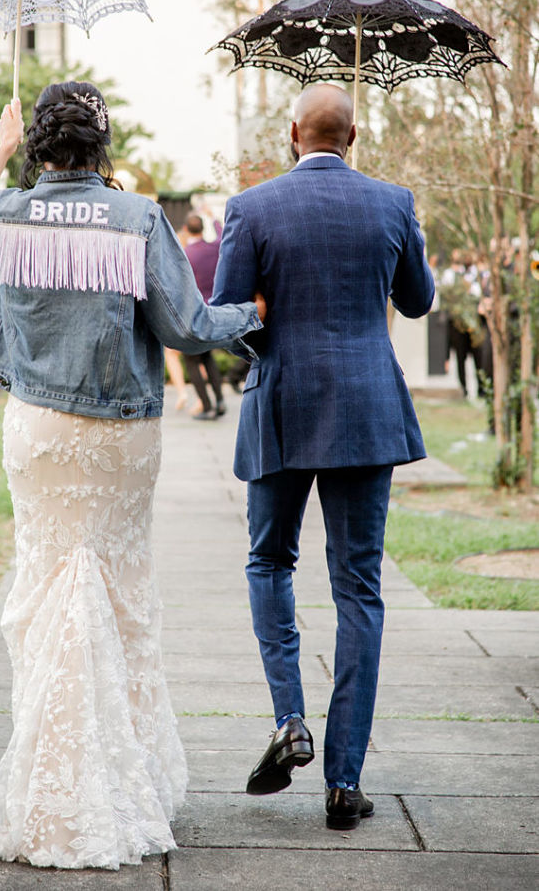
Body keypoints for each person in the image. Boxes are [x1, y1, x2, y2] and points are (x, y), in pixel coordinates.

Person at [0, 81, 264, 870]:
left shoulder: (7, 212)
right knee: (119, 597)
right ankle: (126, 779)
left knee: (44, 587)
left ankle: (51, 785)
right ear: (102, 146)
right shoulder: (135, 218)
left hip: (40, 433)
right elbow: (188, 326)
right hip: (121, 435)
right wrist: (252, 312)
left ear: (38, 146)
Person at [211, 83, 435, 830]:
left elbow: (229, 316)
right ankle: (345, 782)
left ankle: (290, 722)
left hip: (280, 406)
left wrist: (267, 341)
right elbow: (417, 301)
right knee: (358, 589)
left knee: (270, 562)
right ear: (354, 136)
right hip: (368, 411)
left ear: (295, 131)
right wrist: (405, 238)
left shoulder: (252, 207)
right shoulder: (393, 202)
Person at [181, 212, 225, 420]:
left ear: (187, 230)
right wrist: (213, 218)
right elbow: (222, 234)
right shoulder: (214, 248)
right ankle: (220, 400)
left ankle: (207, 406)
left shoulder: (186, 254)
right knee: (207, 357)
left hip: (194, 312)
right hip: (213, 310)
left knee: (191, 361)